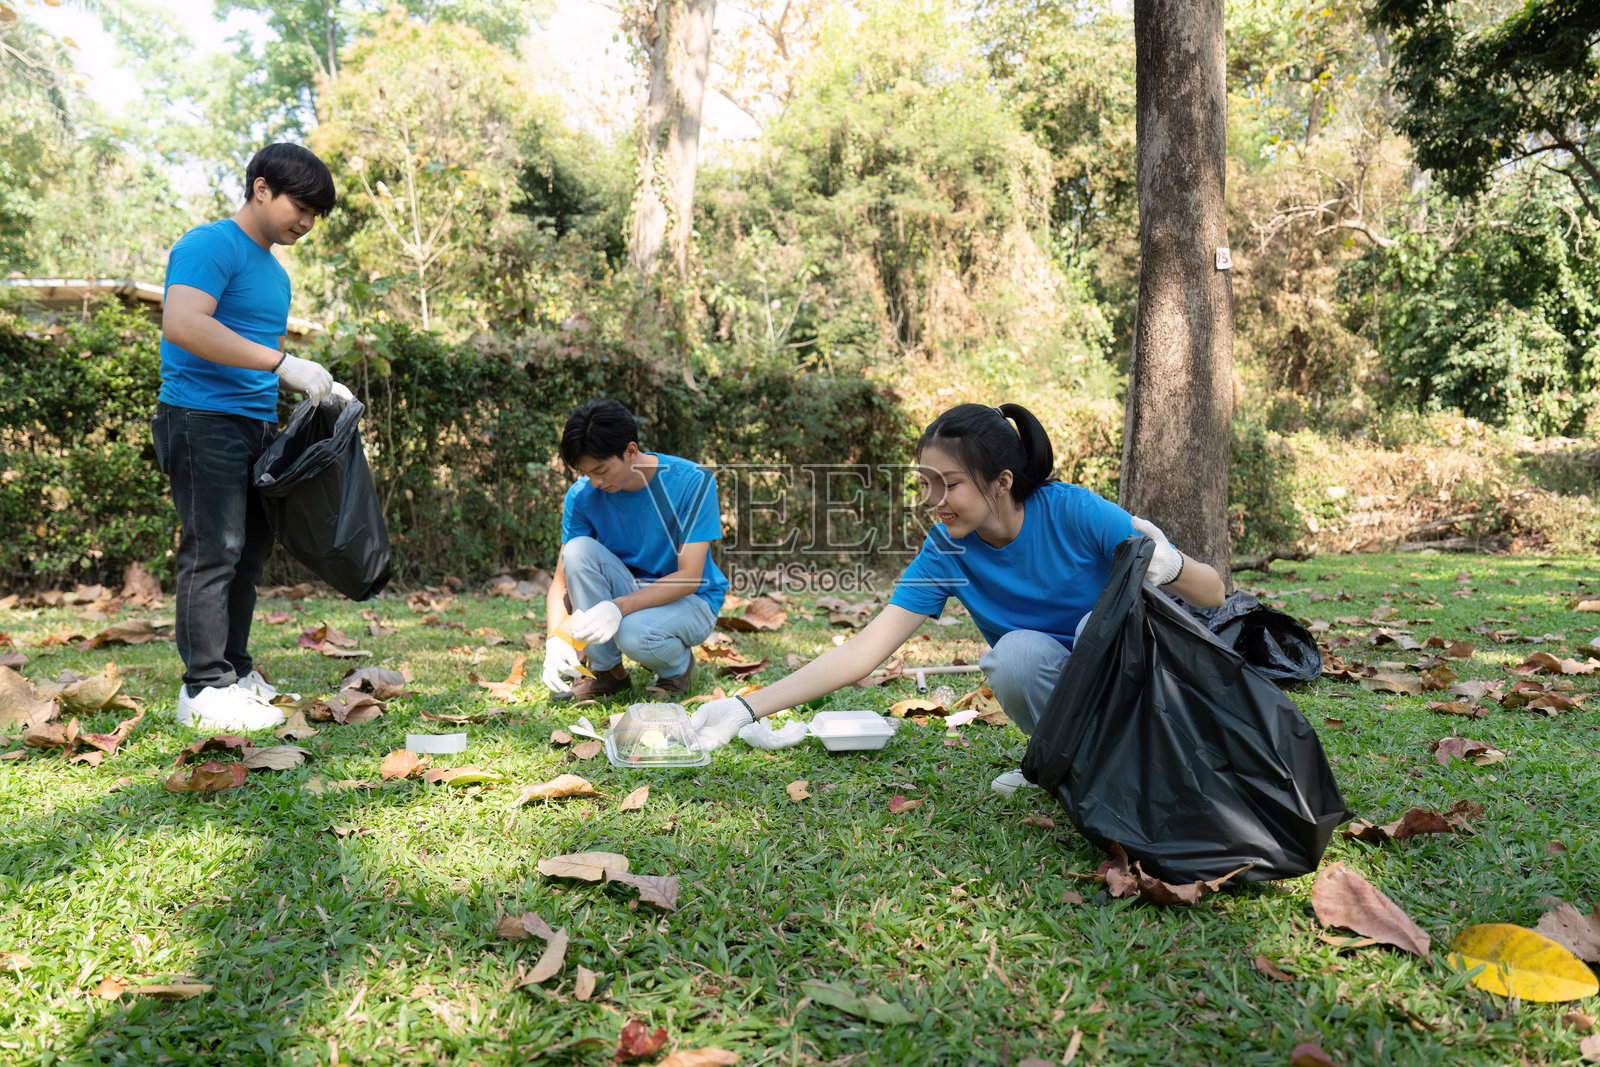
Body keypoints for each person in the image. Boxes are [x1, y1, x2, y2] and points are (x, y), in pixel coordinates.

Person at [687, 402, 1226, 794]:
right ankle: (1073, 766)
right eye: (925, 484)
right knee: (1012, 656)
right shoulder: (948, 549)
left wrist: (1171, 564)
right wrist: (743, 706)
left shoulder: (1076, 512)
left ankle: (1141, 763)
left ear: (1001, 482)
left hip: (1139, 686)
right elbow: (862, 651)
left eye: (949, 484)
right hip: (1066, 695)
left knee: (1094, 630)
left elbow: (1214, 591)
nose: (933, 502)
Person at [153, 142, 352, 731]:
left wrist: (309, 384)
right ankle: (202, 690)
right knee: (213, 550)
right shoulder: (209, 244)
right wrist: (282, 364)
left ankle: (234, 674)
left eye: (317, 216)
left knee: (249, 555)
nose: (308, 224)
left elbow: (250, 352)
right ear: (262, 188)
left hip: (256, 424)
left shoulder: (274, 272)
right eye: (303, 207)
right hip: (199, 417)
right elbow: (184, 324)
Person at [541, 398, 728, 700]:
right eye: (587, 473)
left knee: (634, 633)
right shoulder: (582, 496)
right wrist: (556, 639)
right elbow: (561, 582)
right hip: (629, 587)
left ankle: (676, 669)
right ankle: (607, 672)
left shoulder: (693, 481)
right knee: (576, 551)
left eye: (602, 469)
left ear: (630, 451)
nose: (596, 482)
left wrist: (618, 607)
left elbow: (690, 576)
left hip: (693, 597)